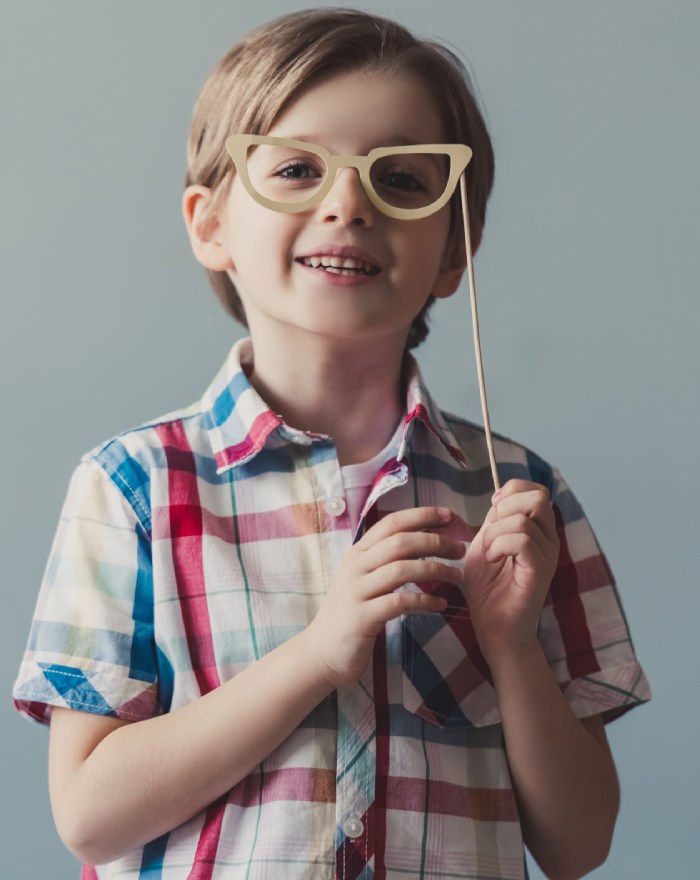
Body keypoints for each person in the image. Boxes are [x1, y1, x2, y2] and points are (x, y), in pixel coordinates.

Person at [12, 9, 650, 880]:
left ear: (454, 250)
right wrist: (317, 655)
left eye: (401, 177)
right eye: (298, 169)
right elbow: (88, 816)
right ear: (211, 225)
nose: (347, 203)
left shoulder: (522, 498)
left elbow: (579, 845)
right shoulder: (135, 485)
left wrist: (511, 650)